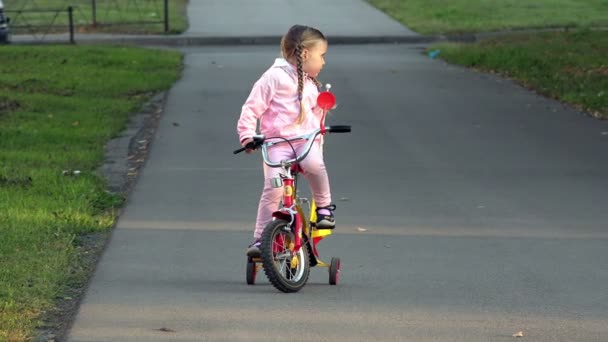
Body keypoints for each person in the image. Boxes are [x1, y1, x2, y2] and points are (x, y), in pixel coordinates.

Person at [236, 24, 336, 257]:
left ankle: (324, 208)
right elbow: (251, 108)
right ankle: (261, 238)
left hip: (305, 142)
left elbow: (313, 113)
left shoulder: (310, 83)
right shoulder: (273, 77)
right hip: (277, 144)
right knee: (273, 189)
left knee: (314, 166)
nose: (323, 62)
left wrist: (322, 119)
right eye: (322, 56)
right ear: (305, 54)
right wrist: (248, 135)